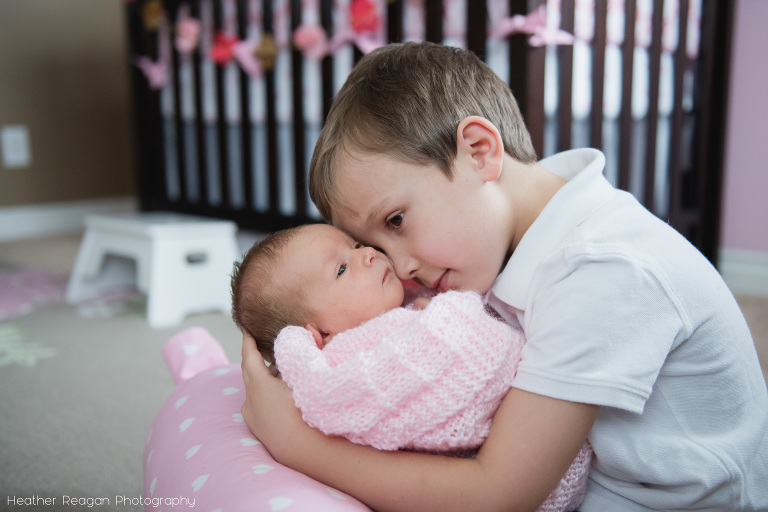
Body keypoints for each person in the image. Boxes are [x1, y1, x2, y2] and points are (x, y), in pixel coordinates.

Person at [240, 41, 768, 512]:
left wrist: (296, 443)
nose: (400, 268)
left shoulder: (601, 271)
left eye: (397, 221)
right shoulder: (499, 234)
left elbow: (499, 494)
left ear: (479, 151)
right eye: (375, 245)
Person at [231, 222, 592, 511]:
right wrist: (444, 319)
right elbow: (466, 357)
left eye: (355, 246)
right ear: (318, 336)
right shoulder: (347, 365)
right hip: (534, 476)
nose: (369, 254)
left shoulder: (401, 303)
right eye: (342, 269)